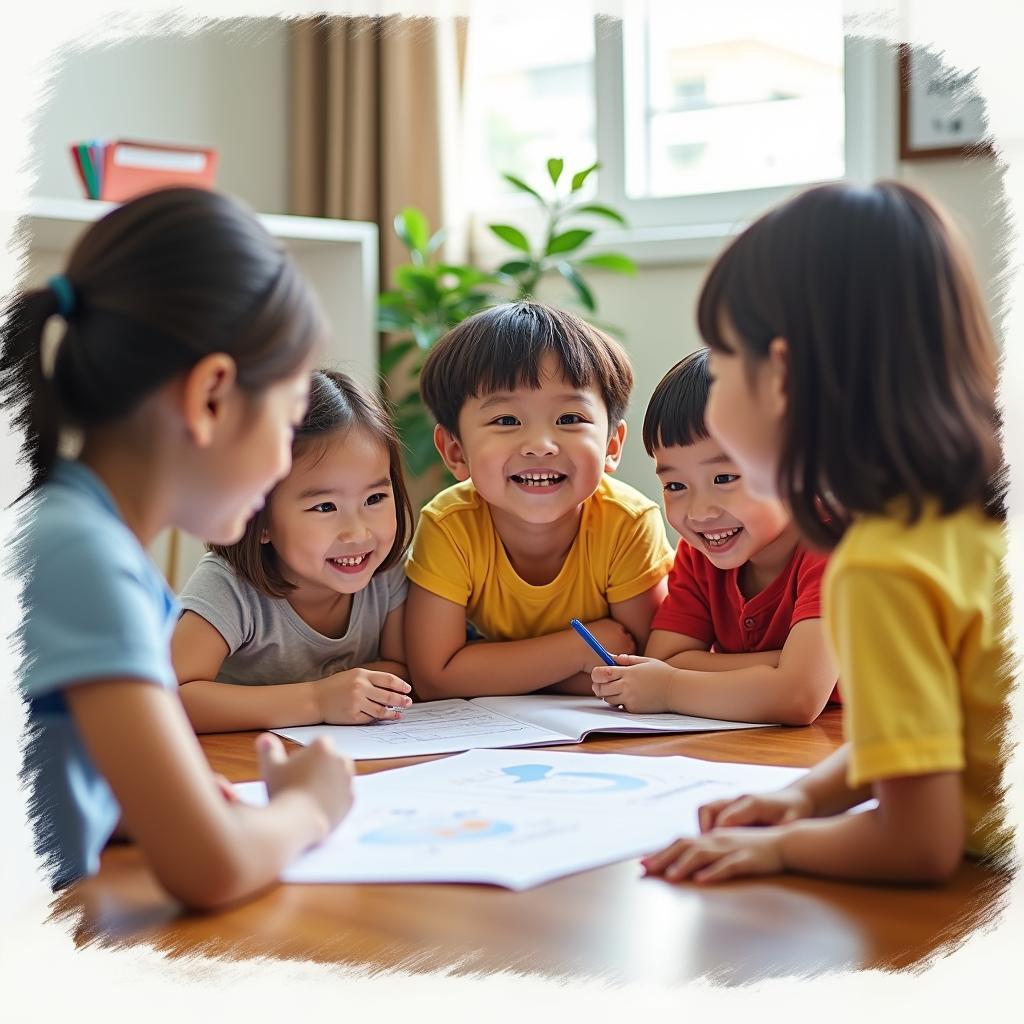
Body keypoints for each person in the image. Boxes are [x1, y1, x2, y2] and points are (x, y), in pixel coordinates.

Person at [643, 181, 1011, 885]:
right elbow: (922, 738)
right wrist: (803, 795)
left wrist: (780, 849)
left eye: (719, 369)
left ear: (780, 376)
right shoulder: (963, 518)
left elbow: (917, 845)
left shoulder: (879, 566)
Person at [4, 187, 354, 908]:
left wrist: (152, 807)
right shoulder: (80, 555)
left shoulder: (80, 536)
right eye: (288, 422)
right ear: (211, 398)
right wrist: (310, 807)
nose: (287, 463)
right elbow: (210, 870)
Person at [404, 301, 674, 698]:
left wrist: (496, 671)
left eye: (569, 419)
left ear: (612, 445)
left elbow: (647, 666)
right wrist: (579, 650)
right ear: (456, 452)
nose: (540, 446)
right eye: (506, 420)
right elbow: (434, 678)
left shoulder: (626, 523)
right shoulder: (449, 525)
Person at [591, 349, 836, 723]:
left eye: (724, 478)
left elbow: (798, 697)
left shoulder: (834, 544)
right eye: (675, 484)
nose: (699, 512)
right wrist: (783, 666)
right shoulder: (701, 552)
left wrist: (670, 688)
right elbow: (667, 658)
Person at [173, 369, 414, 731]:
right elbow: (169, 698)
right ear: (260, 516)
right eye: (325, 507)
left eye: (375, 498)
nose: (358, 532)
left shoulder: (387, 574)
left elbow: (402, 667)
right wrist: (317, 699)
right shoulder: (229, 587)